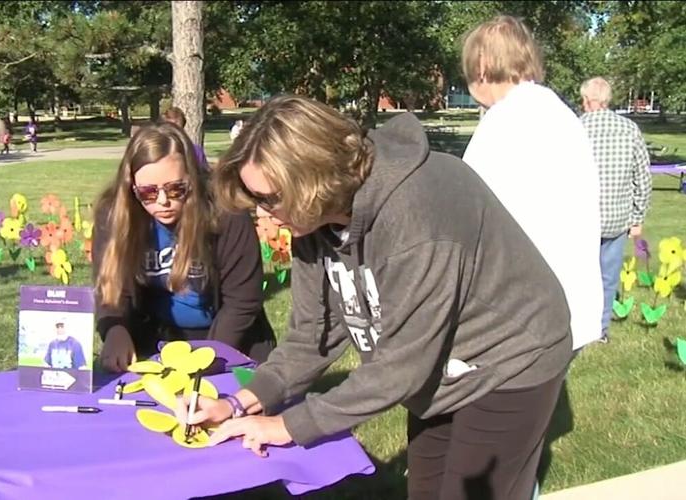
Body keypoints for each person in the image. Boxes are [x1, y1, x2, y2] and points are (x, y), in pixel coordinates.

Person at [181, 95, 573, 500]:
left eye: (270, 198)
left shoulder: (417, 214)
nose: (263, 214)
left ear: (314, 182)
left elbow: (400, 368)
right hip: (437, 366)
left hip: (511, 358)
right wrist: (239, 403)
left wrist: (287, 426)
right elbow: (310, 337)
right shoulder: (311, 223)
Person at [460, 16, 603, 353]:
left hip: (523, 314)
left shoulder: (505, 122)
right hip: (565, 304)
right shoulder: (556, 111)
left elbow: (467, 214)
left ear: (481, 67)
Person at [93, 122, 276, 372]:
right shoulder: (113, 214)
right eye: (147, 192)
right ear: (131, 187)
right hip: (151, 338)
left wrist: (208, 358)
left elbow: (243, 300)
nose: (162, 201)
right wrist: (113, 328)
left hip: (230, 339)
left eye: (176, 188)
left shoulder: (226, 210)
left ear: (192, 179)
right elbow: (109, 287)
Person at [580, 77, 652, 343]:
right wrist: (638, 216)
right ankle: (600, 330)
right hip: (617, 217)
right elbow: (642, 177)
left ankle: (577, 324)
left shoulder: (576, 128)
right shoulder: (629, 129)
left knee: (579, 274)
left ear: (587, 100)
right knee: (608, 276)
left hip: (582, 218)